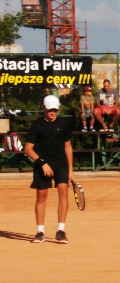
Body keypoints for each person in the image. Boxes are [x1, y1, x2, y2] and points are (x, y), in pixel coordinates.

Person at [24, 95, 74, 244]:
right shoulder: (37, 125)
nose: (52, 112)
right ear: (43, 108)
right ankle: (40, 232)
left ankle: (61, 231)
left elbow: (68, 147)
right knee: (41, 196)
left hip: (61, 163)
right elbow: (28, 148)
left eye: (55, 110)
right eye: (50, 110)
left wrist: (71, 170)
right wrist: (42, 163)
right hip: (43, 164)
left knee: (63, 192)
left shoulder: (63, 124)